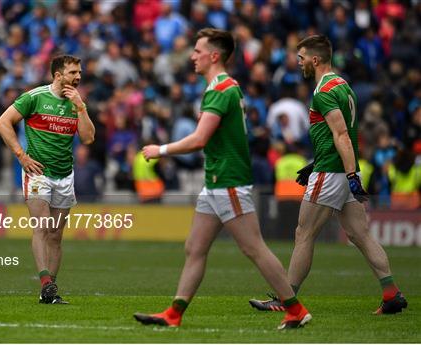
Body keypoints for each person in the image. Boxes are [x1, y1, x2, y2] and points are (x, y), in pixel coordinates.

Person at [133, 28, 311, 330]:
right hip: (216, 181)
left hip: (227, 180)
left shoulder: (220, 90)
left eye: (198, 51)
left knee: (253, 247)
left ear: (214, 56)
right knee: (195, 247)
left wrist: (160, 149)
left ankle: (295, 309)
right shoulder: (227, 87)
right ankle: (174, 314)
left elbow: (200, 139)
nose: (192, 56)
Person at [249, 35, 407, 315]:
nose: (298, 64)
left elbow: (341, 134)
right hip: (341, 170)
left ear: (315, 59)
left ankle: (287, 300)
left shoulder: (323, 92)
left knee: (304, 233)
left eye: (301, 59)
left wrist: (348, 176)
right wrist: (330, 167)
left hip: (334, 173)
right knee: (361, 235)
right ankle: (391, 293)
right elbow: (338, 133)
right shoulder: (343, 85)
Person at [0, 55, 95, 304]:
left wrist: (81, 107)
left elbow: (88, 138)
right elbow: (2, 123)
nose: (78, 77)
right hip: (37, 173)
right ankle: (46, 282)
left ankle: (48, 292)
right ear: (58, 75)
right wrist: (21, 155)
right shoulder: (34, 97)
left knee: (56, 235)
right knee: (41, 226)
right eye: (73, 72)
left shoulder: (76, 103)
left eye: (79, 72)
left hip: (64, 175)